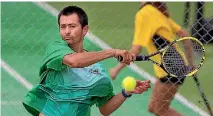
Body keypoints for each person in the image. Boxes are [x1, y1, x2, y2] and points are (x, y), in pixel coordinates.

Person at [22, 6, 151, 116]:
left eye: (72, 26)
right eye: (63, 27)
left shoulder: (97, 68)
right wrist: (112, 52)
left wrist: (126, 92)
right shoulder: (55, 48)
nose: (67, 31)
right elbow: (74, 61)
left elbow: (105, 108)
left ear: (85, 29)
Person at [110, 2, 189, 116]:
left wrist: (117, 69)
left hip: (171, 68)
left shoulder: (144, 14)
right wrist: (190, 63)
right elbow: (184, 34)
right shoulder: (158, 11)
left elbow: (136, 49)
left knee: (161, 110)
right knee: (153, 107)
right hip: (174, 66)